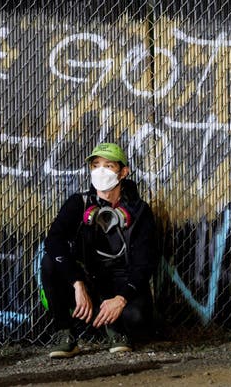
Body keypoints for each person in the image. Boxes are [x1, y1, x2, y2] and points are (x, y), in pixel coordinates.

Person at [41, 143, 158, 358]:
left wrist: (121, 298)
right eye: (95, 165)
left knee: (137, 317)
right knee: (49, 262)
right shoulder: (78, 203)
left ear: (123, 172)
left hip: (120, 283)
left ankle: (117, 329)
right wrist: (77, 283)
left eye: (109, 165)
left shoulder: (140, 211)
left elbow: (145, 262)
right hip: (87, 283)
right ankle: (64, 333)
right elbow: (53, 241)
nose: (100, 171)